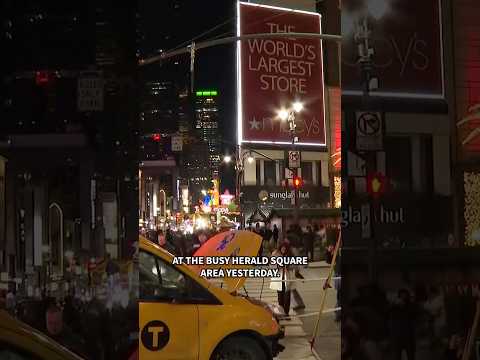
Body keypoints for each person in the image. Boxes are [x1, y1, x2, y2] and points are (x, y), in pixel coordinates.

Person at [270, 241, 297, 317]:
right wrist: (278, 266)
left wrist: (288, 266)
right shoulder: (275, 254)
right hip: (279, 279)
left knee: (287, 297)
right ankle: (281, 312)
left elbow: (295, 265)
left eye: (285, 249)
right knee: (280, 298)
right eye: (282, 248)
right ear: (280, 248)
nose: (283, 250)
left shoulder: (290, 255)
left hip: (287, 279)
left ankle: (286, 313)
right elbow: (271, 265)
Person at [389, 289, 417, 360]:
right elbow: (390, 316)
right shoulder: (394, 307)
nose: (403, 297)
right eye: (401, 295)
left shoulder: (411, 305)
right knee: (397, 354)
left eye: (404, 295)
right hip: (398, 334)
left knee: (410, 354)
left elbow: (413, 315)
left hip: (408, 333)